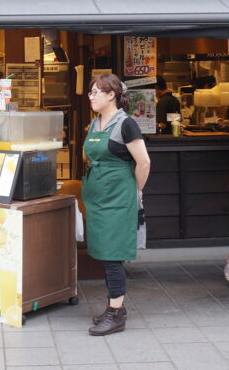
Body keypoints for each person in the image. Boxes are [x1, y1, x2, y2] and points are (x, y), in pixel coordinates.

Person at [82, 74, 150, 336]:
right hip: (98, 198)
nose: (92, 96)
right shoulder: (94, 124)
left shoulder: (126, 124)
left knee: (112, 256)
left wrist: (137, 192)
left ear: (111, 95)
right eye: (90, 92)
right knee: (102, 253)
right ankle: (113, 308)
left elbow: (143, 163)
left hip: (119, 198)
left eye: (96, 92)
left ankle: (116, 314)